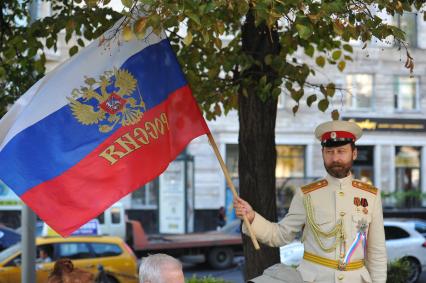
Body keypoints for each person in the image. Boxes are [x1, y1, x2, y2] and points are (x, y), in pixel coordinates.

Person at [234, 120, 387, 283]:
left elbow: (376, 252)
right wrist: (252, 218)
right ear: (322, 153)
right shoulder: (307, 194)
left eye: (341, 151)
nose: (335, 158)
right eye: (329, 152)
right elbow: (280, 235)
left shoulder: (370, 196)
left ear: (354, 153)